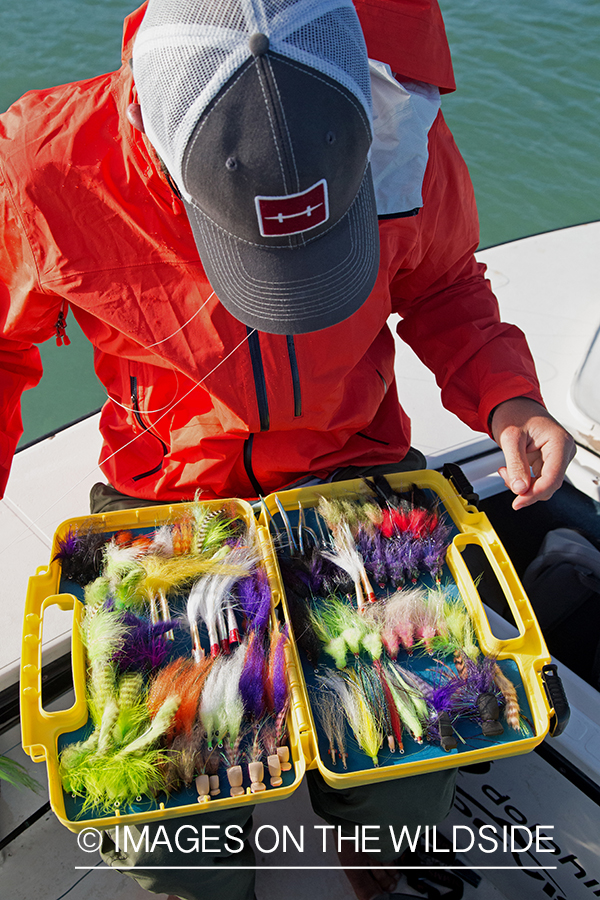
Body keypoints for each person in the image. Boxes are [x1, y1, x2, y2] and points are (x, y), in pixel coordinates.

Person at [0, 1, 574, 899]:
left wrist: (507, 393)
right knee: (170, 840)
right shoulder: (42, 161)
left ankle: (374, 852)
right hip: (168, 500)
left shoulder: (406, 132)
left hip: (355, 470)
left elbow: (446, 284)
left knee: (411, 782)